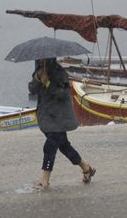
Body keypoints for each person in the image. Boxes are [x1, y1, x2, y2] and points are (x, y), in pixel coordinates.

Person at [28, 58, 96, 190]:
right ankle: (87, 168)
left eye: (43, 59)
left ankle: (45, 181)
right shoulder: (38, 72)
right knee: (64, 147)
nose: (40, 61)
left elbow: (63, 95)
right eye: (39, 59)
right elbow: (32, 89)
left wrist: (48, 84)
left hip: (59, 117)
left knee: (49, 147)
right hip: (46, 116)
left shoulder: (60, 73)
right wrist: (38, 78)